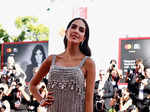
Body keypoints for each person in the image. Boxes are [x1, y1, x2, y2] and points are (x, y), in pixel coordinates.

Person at [29, 17, 96, 112]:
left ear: (84, 37)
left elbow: (89, 100)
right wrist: (41, 100)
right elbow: (32, 85)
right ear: (66, 31)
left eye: (81, 30)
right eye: (73, 27)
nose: (76, 31)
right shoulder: (51, 59)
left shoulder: (88, 63)